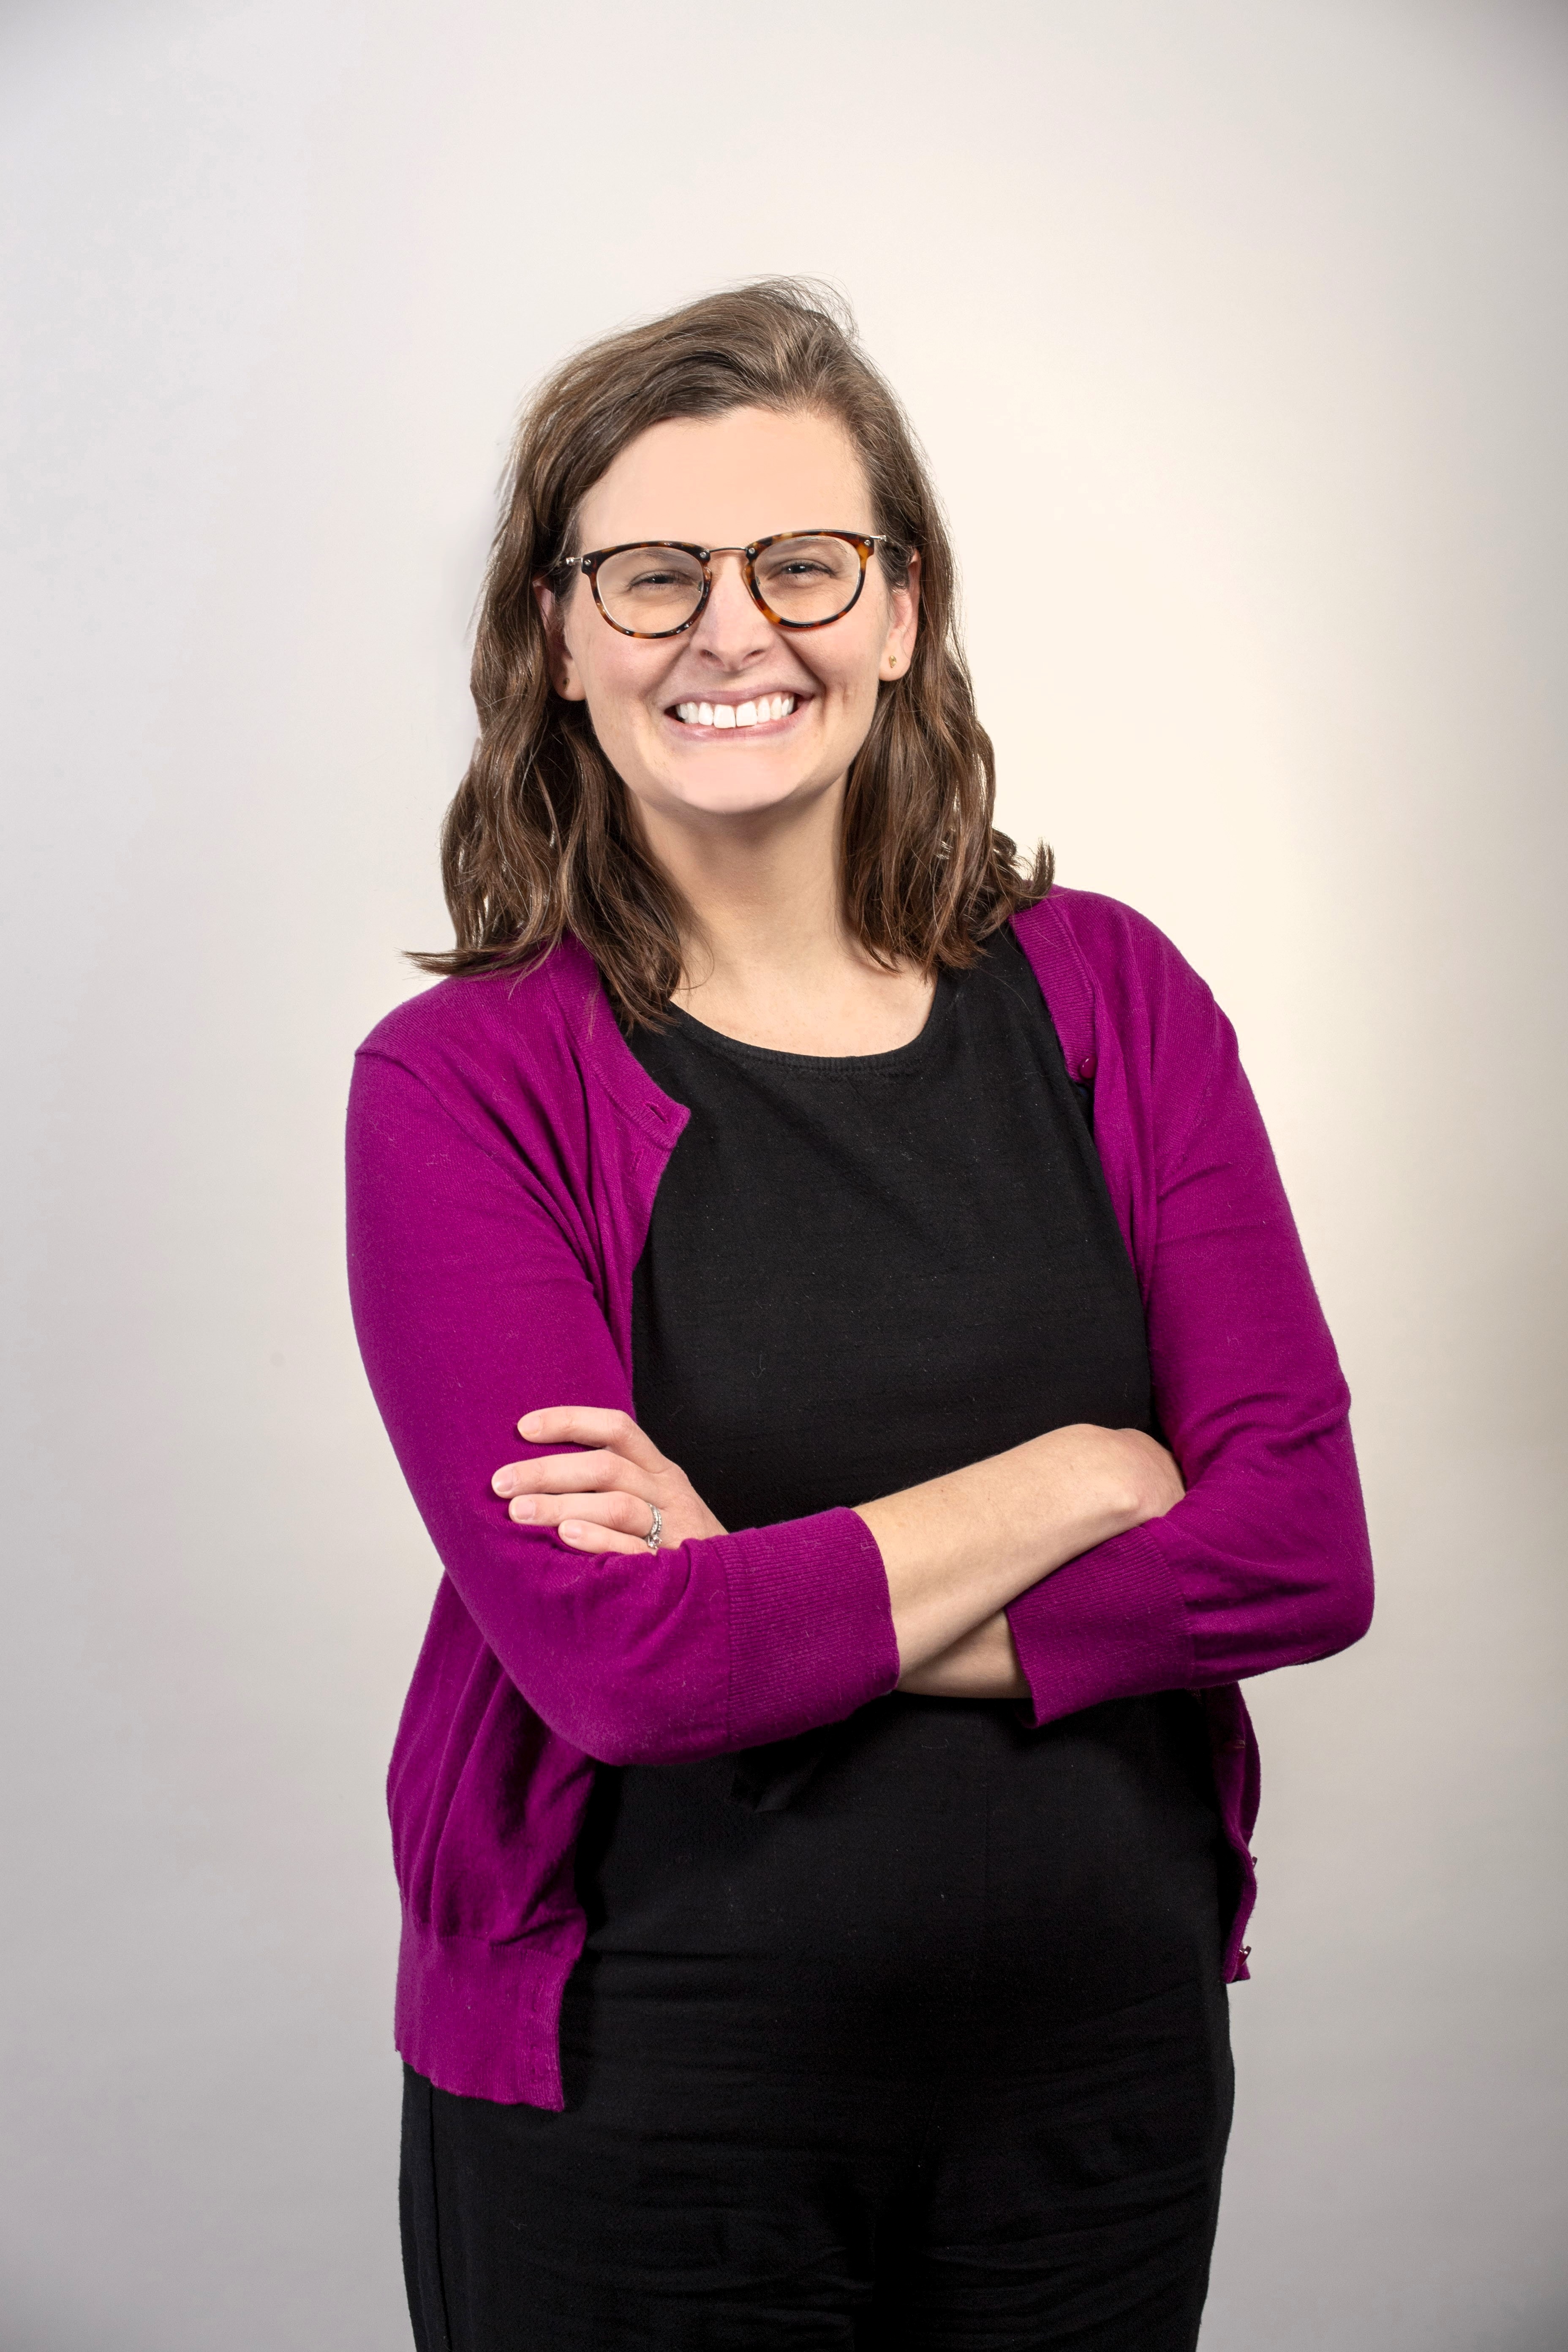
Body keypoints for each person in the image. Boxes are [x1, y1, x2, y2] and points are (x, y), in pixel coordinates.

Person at [346, 279, 1374, 2352]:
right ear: (559, 639)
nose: (735, 629)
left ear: (899, 610)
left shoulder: (1110, 1000)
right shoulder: (463, 1084)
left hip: (1099, 2087)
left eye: (802, 563)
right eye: (651, 574)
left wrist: (775, 1602)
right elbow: (622, 1671)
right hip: (642, 2109)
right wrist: (1080, 1477)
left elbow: (1299, 1551)